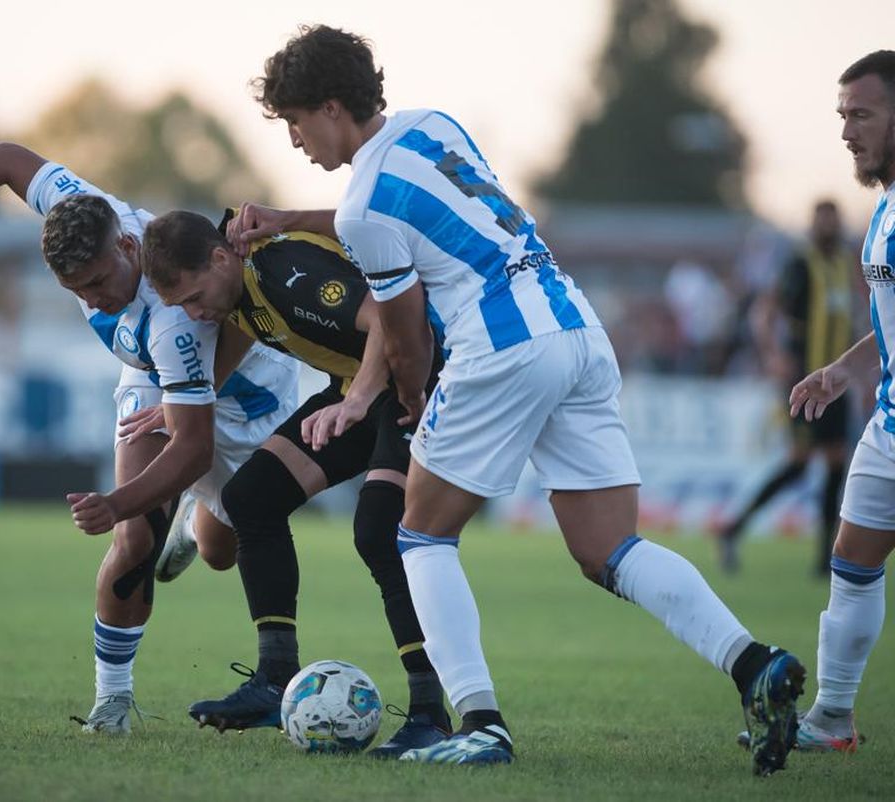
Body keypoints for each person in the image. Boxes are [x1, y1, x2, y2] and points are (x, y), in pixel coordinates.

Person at [236, 25, 805, 774]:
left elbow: (408, 338)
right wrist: (288, 220)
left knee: (420, 538)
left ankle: (480, 724)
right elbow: (401, 218)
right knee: (608, 550)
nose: (296, 140)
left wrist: (400, 402)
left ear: (333, 106)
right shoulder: (432, 127)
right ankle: (751, 663)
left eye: (296, 121)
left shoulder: (362, 209)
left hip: (500, 348)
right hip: (574, 327)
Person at [0, 142, 299, 734]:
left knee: (220, 550)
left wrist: (114, 501)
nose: (95, 300)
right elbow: (3, 159)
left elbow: (193, 446)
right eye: (78, 291)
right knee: (134, 541)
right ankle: (113, 701)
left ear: (128, 247)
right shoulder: (84, 212)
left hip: (249, 400)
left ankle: (195, 519)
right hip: (159, 380)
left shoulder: (173, 318)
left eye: (100, 282)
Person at [137, 208, 450, 756]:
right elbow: (238, 331)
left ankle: (430, 713)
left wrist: (354, 402)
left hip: (428, 377)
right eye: (180, 306)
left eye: (193, 296)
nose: (194, 314)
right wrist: (191, 396)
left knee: (379, 530)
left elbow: (389, 319)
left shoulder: (282, 271)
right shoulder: (237, 291)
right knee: (248, 499)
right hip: (371, 385)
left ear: (219, 257)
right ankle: (275, 676)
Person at [785, 49, 895, 753]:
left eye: (862, 114)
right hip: (889, 423)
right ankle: (831, 718)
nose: (848, 130)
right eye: (843, 115)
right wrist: (843, 369)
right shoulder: (884, 209)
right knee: (851, 565)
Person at [720, 200, 857, 576]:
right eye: (823, 221)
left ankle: (823, 561)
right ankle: (733, 528)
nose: (829, 227)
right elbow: (765, 310)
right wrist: (773, 355)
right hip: (804, 378)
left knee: (835, 464)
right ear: (814, 225)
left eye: (833, 220)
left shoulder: (845, 264)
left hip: (837, 384)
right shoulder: (799, 263)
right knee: (799, 463)